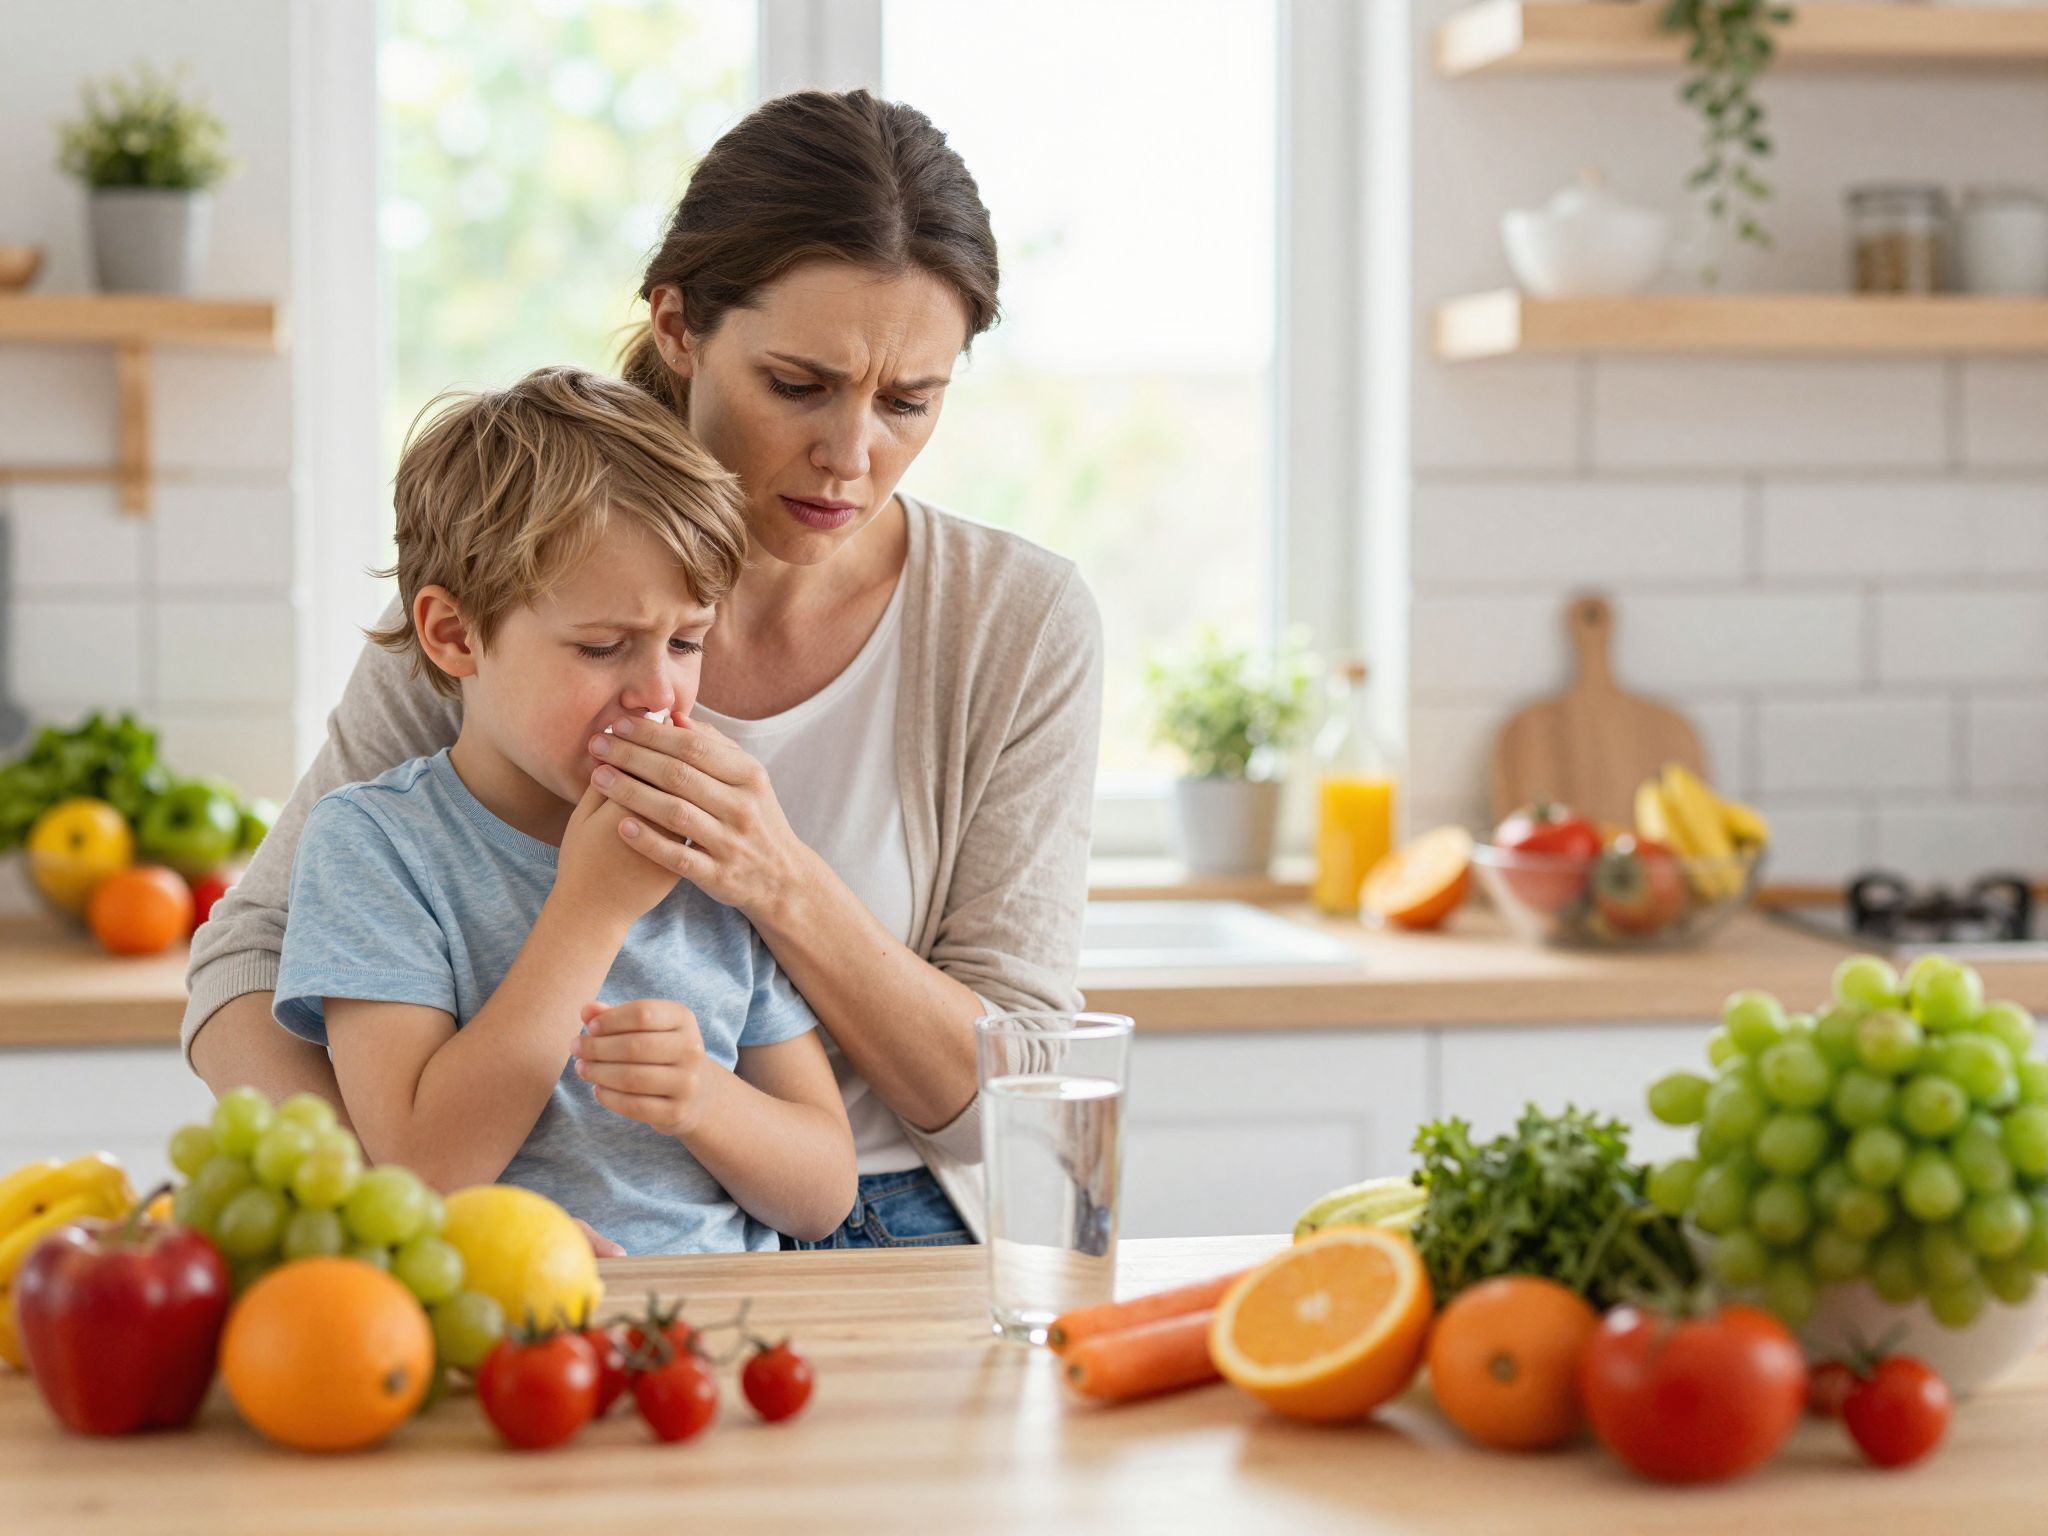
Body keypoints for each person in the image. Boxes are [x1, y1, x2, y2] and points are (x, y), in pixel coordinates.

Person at [184, 88, 1104, 1251]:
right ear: (677, 325)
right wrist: (392, 1222)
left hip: (912, 1214)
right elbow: (248, 955)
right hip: (533, 1240)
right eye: (797, 384)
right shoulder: (517, 589)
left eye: (909, 402)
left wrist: (776, 880)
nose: (850, 454)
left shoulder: (1016, 622)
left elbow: (1019, 1095)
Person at [272, 366, 855, 1253]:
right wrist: (593, 908)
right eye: (603, 647)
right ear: (454, 635)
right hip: (503, 1342)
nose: (659, 695)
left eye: (687, 642)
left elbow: (824, 1196)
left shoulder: (707, 842)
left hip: (711, 1349)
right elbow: (421, 1173)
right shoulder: (378, 847)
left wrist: (705, 1096)